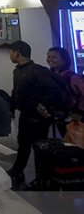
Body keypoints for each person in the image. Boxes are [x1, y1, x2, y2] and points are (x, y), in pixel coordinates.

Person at [7, 40, 64, 188]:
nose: (10, 55)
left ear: (17, 52)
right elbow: (16, 92)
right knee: (23, 144)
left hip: (37, 118)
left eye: (11, 52)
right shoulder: (18, 70)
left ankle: (42, 178)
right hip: (26, 115)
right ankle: (18, 171)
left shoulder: (37, 71)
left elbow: (53, 90)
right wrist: (11, 108)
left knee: (39, 147)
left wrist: (42, 105)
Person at [47, 47, 83, 135]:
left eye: (54, 57)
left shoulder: (72, 77)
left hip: (73, 117)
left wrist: (81, 115)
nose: (50, 60)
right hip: (57, 117)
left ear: (64, 60)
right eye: (48, 57)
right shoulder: (47, 76)